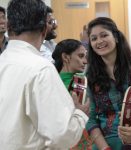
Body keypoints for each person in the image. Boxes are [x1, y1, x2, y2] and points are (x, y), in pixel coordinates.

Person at [0, 0, 88, 150]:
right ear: (43, 30)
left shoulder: (3, 61)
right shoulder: (41, 69)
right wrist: (79, 114)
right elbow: (62, 136)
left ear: (9, 27)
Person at [85, 17, 131, 150]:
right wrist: (105, 148)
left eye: (104, 35)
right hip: (105, 144)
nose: (99, 41)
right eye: (94, 38)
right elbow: (91, 119)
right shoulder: (90, 76)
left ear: (116, 37)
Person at [52, 39, 92, 150]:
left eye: (85, 56)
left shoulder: (84, 81)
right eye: (80, 56)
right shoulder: (52, 83)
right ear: (65, 57)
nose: (85, 61)